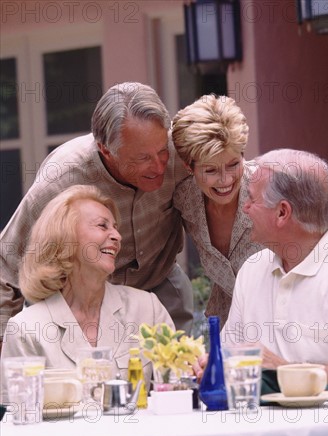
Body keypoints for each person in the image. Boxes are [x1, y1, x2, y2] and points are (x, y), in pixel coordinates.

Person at [0, 82, 193, 352]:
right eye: (143, 158)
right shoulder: (61, 179)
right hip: (76, 298)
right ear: (105, 150)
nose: (160, 166)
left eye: (162, 151)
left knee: (175, 381)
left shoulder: (181, 152)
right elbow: (5, 262)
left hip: (158, 282)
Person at [1, 186, 174, 398]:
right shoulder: (25, 329)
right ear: (65, 237)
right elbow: (16, 417)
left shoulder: (148, 309)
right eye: (102, 226)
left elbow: (177, 393)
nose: (117, 236)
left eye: (116, 228)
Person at [222, 148, 328, 392]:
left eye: (251, 199)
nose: (244, 208)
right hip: (254, 428)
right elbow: (229, 355)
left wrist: (287, 370)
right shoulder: (252, 269)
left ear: (282, 212)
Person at [172, 94, 260, 328]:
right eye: (210, 170)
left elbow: (319, 244)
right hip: (227, 326)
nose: (225, 180)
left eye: (233, 164)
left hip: (286, 325)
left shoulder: (271, 187)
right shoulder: (183, 198)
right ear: (188, 167)